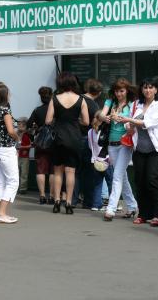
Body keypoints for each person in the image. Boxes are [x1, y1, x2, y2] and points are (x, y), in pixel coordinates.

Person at [119, 77, 158, 226]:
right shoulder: (137, 104)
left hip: (156, 149)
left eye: (151, 87)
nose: (147, 90)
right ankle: (143, 214)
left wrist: (128, 120)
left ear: (156, 90)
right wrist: (128, 124)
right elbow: (129, 126)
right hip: (139, 149)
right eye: (145, 87)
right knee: (140, 181)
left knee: (153, 180)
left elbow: (149, 123)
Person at [45, 72, 89, 214]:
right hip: (74, 138)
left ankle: (57, 201)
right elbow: (86, 122)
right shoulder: (81, 100)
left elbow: (48, 120)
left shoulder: (54, 99)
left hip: (58, 137)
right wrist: (75, 121)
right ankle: (69, 203)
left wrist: (59, 120)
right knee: (71, 172)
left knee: (58, 171)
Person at [100, 78, 138, 221]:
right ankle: (133, 206)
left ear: (127, 91)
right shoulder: (110, 102)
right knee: (122, 176)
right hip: (111, 143)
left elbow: (134, 120)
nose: (119, 94)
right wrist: (105, 117)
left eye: (121, 91)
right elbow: (101, 114)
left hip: (125, 144)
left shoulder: (132, 104)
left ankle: (111, 209)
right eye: (116, 91)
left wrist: (120, 116)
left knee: (117, 176)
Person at [0, 83, 20, 223]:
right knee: (13, 181)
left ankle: (0, 213)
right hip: (6, 149)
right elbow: (10, 131)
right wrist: (17, 138)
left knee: (0, 182)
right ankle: (2, 213)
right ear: (5, 95)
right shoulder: (5, 111)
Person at [75, 78, 102, 208]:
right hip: (86, 138)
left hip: (72, 137)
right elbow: (97, 119)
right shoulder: (92, 104)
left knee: (75, 171)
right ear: (99, 92)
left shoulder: (76, 99)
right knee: (88, 172)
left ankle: (72, 200)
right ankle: (88, 201)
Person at [27, 86, 54, 204]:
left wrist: (36, 127)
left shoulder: (37, 110)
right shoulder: (56, 109)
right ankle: (52, 196)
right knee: (54, 170)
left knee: (41, 170)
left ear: (41, 97)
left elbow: (28, 124)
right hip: (54, 142)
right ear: (52, 95)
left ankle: (42, 196)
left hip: (41, 142)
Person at [87, 110, 113, 211]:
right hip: (106, 160)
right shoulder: (105, 131)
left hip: (95, 161)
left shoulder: (90, 132)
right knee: (111, 182)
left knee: (97, 183)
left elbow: (90, 146)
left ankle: (96, 204)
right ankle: (112, 204)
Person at [17, 117, 31, 195]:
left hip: (24, 156)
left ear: (25, 125)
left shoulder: (28, 134)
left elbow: (31, 145)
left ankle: (23, 188)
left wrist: (22, 147)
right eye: (18, 124)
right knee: (17, 172)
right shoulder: (16, 133)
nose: (18, 125)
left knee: (24, 173)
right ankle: (17, 187)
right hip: (17, 155)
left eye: (20, 124)